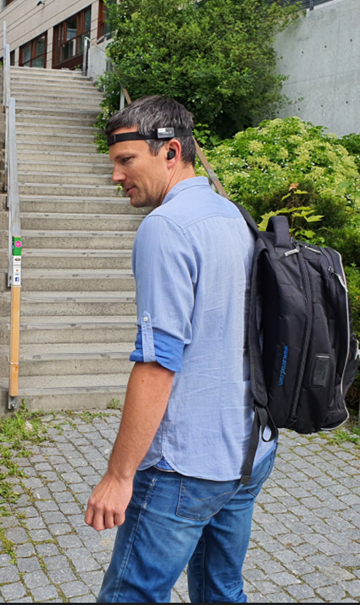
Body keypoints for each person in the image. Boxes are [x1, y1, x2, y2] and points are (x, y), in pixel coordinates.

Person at [85, 96, 277, 603]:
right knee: (221, 592)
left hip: (184, 469)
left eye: (126, 161)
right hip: (247, 453)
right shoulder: (233, 214)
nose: (116, 176)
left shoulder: (165, 229)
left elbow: (157, 363)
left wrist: (118, 475)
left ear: (171, 152)